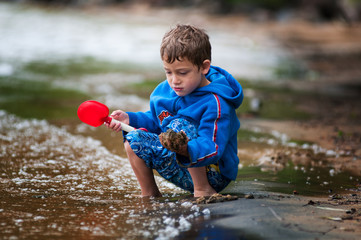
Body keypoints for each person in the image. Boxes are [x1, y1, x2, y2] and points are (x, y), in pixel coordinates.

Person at [106, 24, 243, 197]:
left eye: (182, 73)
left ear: (204, 67)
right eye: (168, 72)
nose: (174, 80)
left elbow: (213, 147)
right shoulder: (164, 92)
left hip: (214, 173)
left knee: (179, 125)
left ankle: (203, 190)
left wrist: (186, 149)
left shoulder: (216, 102)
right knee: (133, 141)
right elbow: (158, 121)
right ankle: (149, 194)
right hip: (180, 164)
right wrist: (130, 119)